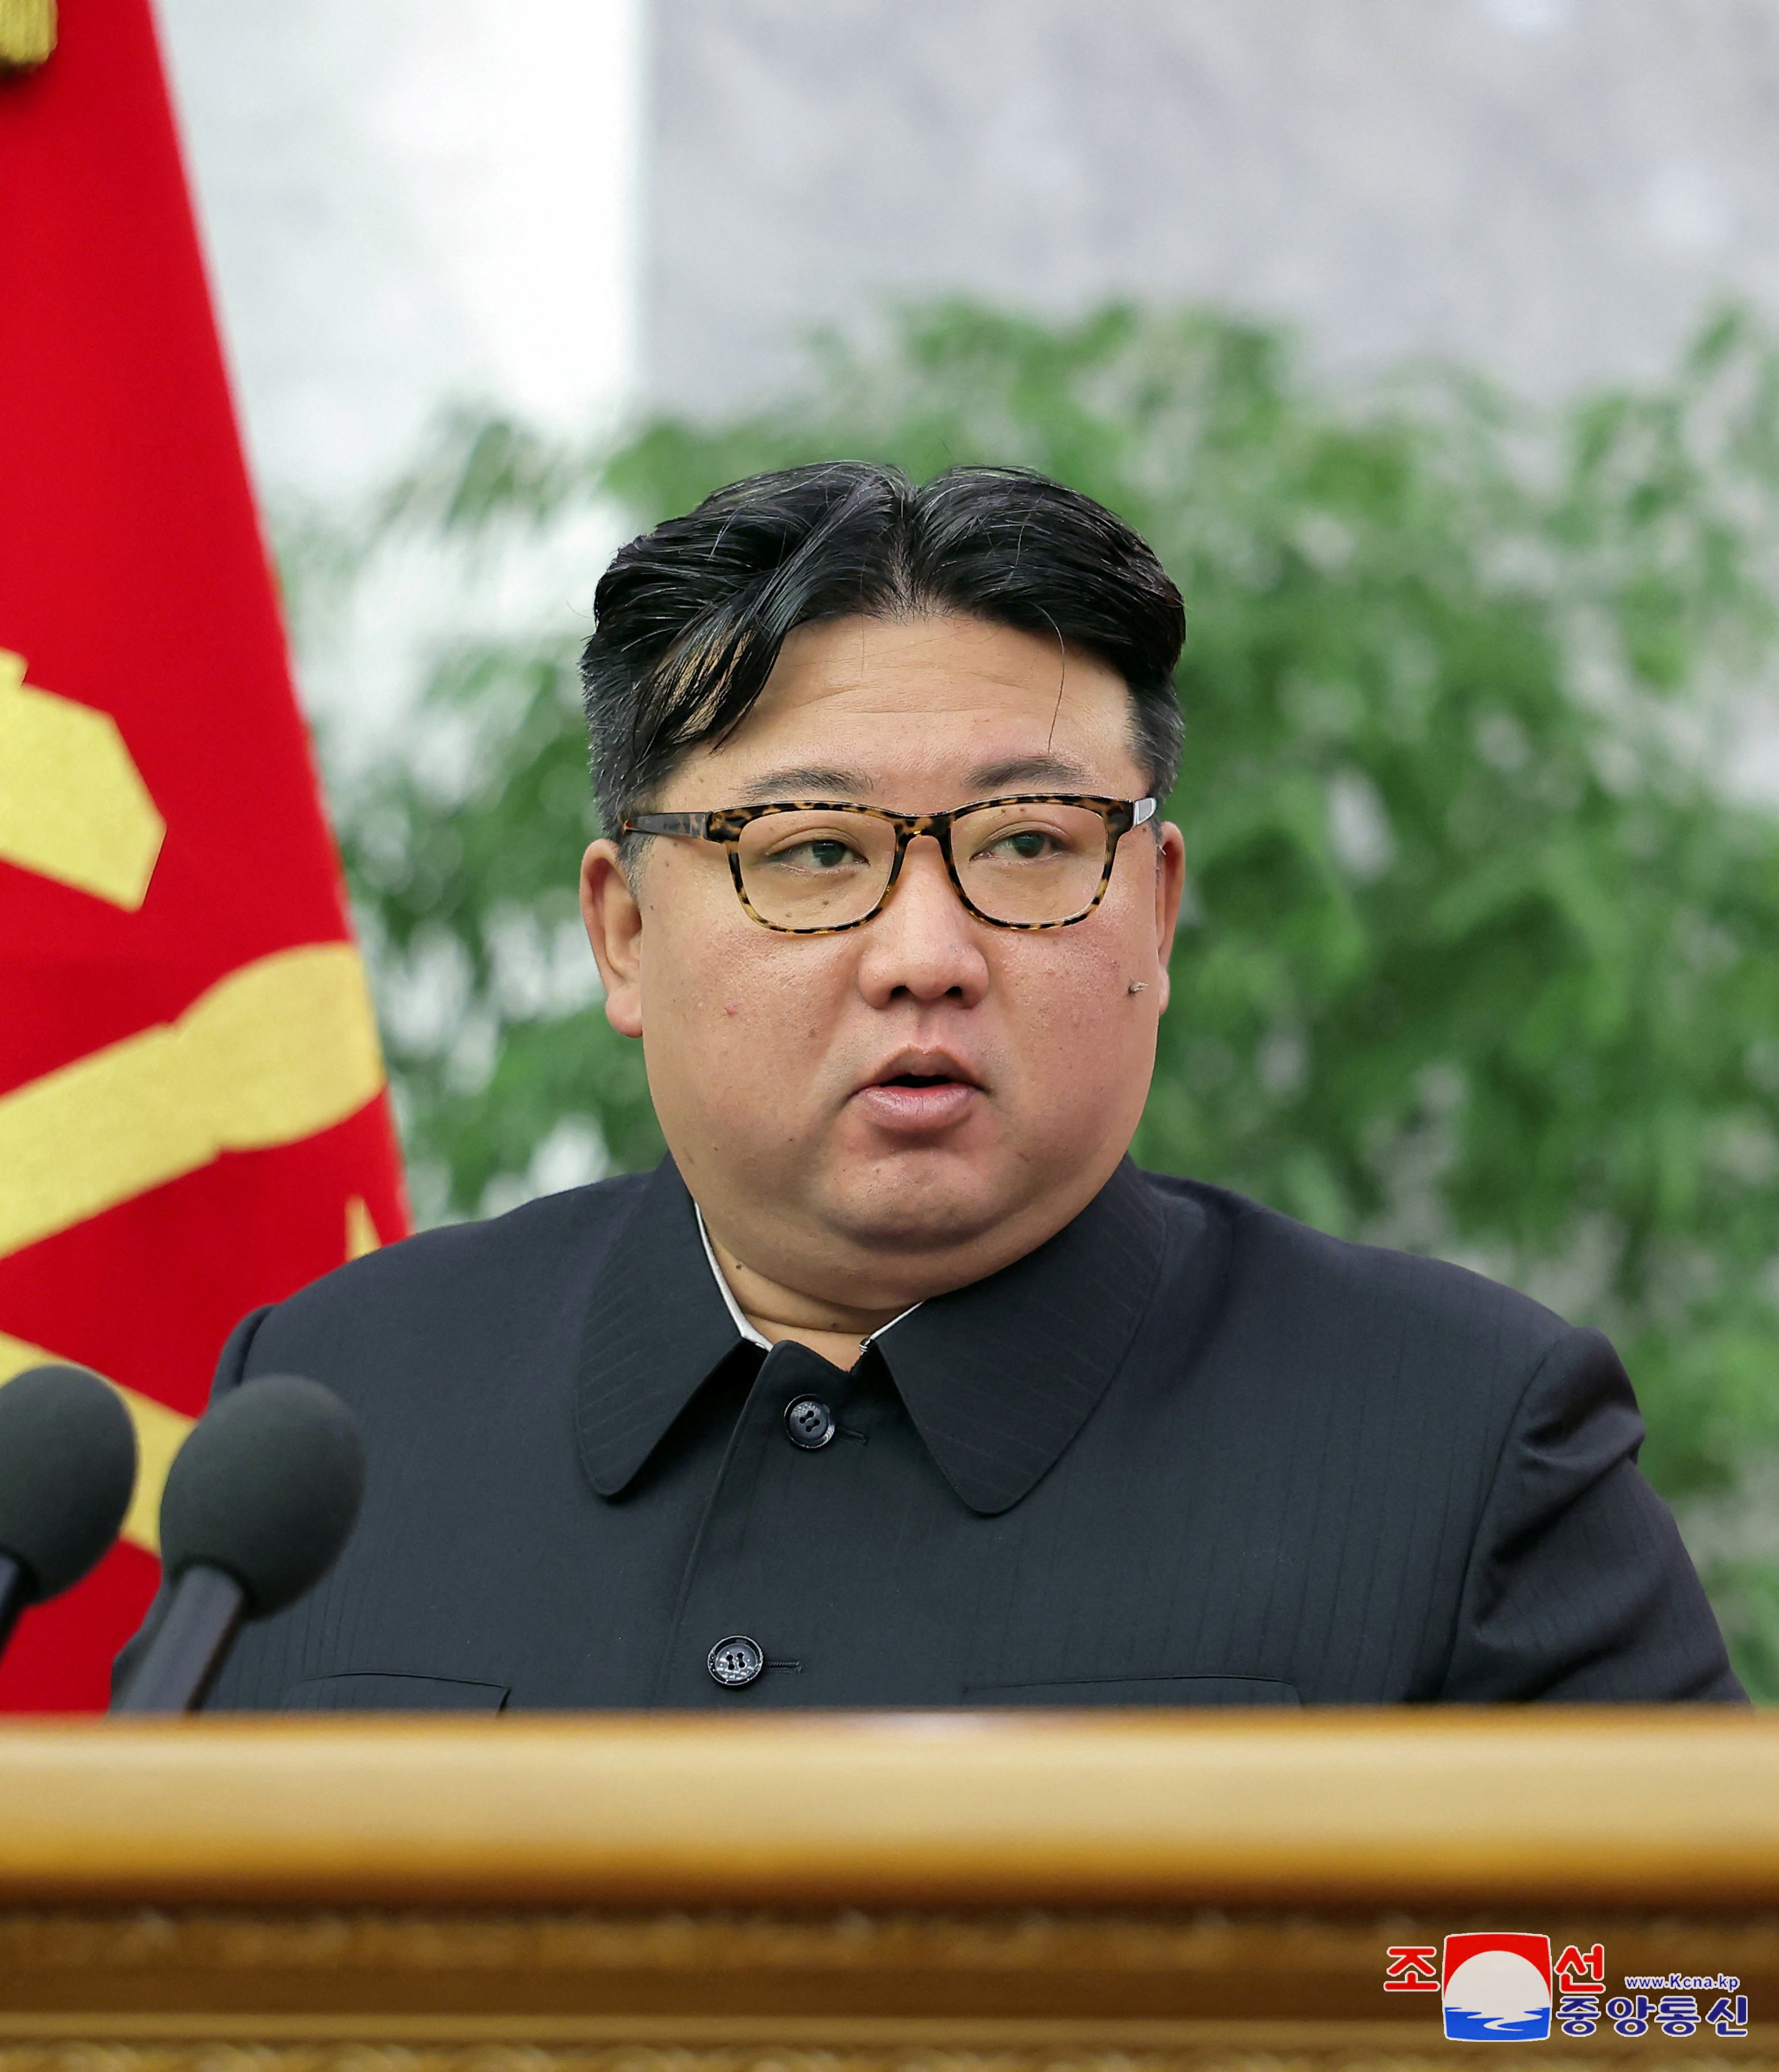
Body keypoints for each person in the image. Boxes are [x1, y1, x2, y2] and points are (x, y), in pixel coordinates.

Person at [133, 462, 1743, 1709]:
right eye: (816, 851)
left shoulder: (1462, 1443)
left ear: (1158, 911)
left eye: (1029, 846)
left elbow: (1681, 1999)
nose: (925, 952)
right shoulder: (339, 1412)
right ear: (623, 936)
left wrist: (1342, 2018)